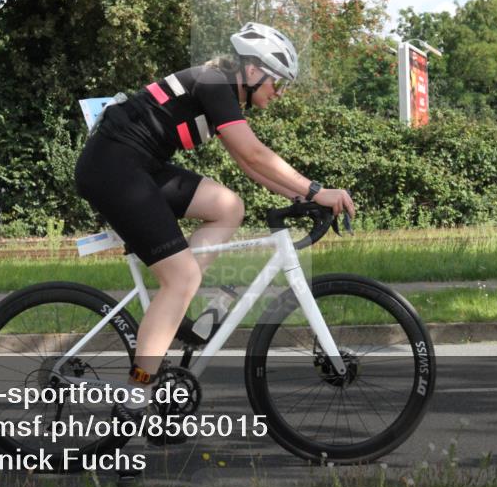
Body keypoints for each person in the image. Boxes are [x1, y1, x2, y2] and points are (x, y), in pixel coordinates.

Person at [73, 22, 356, 441]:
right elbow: (253, 152)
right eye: (278, 84)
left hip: (140, 165)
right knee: (181, 277)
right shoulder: (215, 82)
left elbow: (250, 165)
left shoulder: (220, 89)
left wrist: (305, 198)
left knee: (228, 206)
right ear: (254, 70)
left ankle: (182, 311)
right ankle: (133, 402)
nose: (279, 94)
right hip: (115, 167)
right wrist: (317, 190)